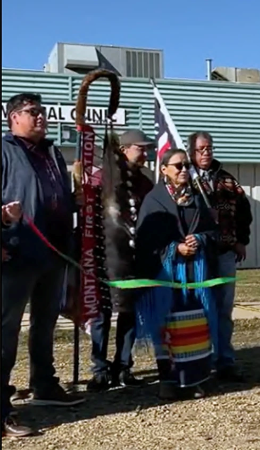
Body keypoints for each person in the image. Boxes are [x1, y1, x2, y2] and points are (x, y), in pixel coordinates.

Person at [2, 93, 85, 438]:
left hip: (53, 252)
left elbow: (53, 198)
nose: (40, 117)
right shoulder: (5, 151)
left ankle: (44, 384)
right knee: (5, 330)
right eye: (32, 112)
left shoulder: (52, 153)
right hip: (15, 252)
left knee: (46, 322)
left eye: (43, 112)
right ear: (13, 117)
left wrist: (74, 201)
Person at [135, 148, 219, 400]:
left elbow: (213, 232)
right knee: (168, 329)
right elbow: (145, 240)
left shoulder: (197, 198)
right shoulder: (154, 200)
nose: (184, 170)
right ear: (164, 169)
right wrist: (174, 248)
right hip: (166, 276)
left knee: (194, 328)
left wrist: (200, 239)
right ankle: (169, 381)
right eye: (178, 166)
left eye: (186, 165)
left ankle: (195, 380)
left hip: (194, 276)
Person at [85, 129, 155, 392]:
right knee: (102, 312)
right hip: (106, 254)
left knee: (129, 311)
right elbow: (87, 209)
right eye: (140, 148)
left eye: (147, 148)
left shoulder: (144, 183)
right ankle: (100, 369)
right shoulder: (104, 178)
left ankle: (123, 366)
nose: (145, 153)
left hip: (134, 256)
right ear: (124, 149)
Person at [188, 131, 253, 381]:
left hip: (225, 252)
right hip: (198, 256)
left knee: (224, 309)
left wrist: (241, 240)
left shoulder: (227, 180)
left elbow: (244, 212)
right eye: (201, 149)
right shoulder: (187, 179)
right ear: (192, 151)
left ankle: (225, 360)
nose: (206, 153)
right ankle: (202, 361)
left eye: (209, 148)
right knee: (201, 309)